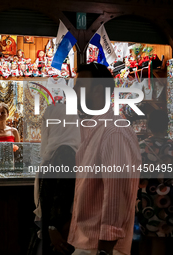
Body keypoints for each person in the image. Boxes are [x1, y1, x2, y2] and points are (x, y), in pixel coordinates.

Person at [68, 63, 141, 255]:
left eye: (80, 86)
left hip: (101, 247)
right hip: (88, 243)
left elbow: (117, 191)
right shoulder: (95, 127)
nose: (74, 90)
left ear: (98, 90)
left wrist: (105, 248)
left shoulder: (113, 131)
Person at [31, 103, 80, 255]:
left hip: (60, 233)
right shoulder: (60, 152)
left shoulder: (64, 152)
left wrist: (53, 226)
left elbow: (63, 193)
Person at [136, 110, 173, 255]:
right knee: (160, 239)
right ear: (167, 125)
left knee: (143, 239)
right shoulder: (171, 147)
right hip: (167, 201)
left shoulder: (139, 148)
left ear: (149, 125)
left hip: (145, 199)